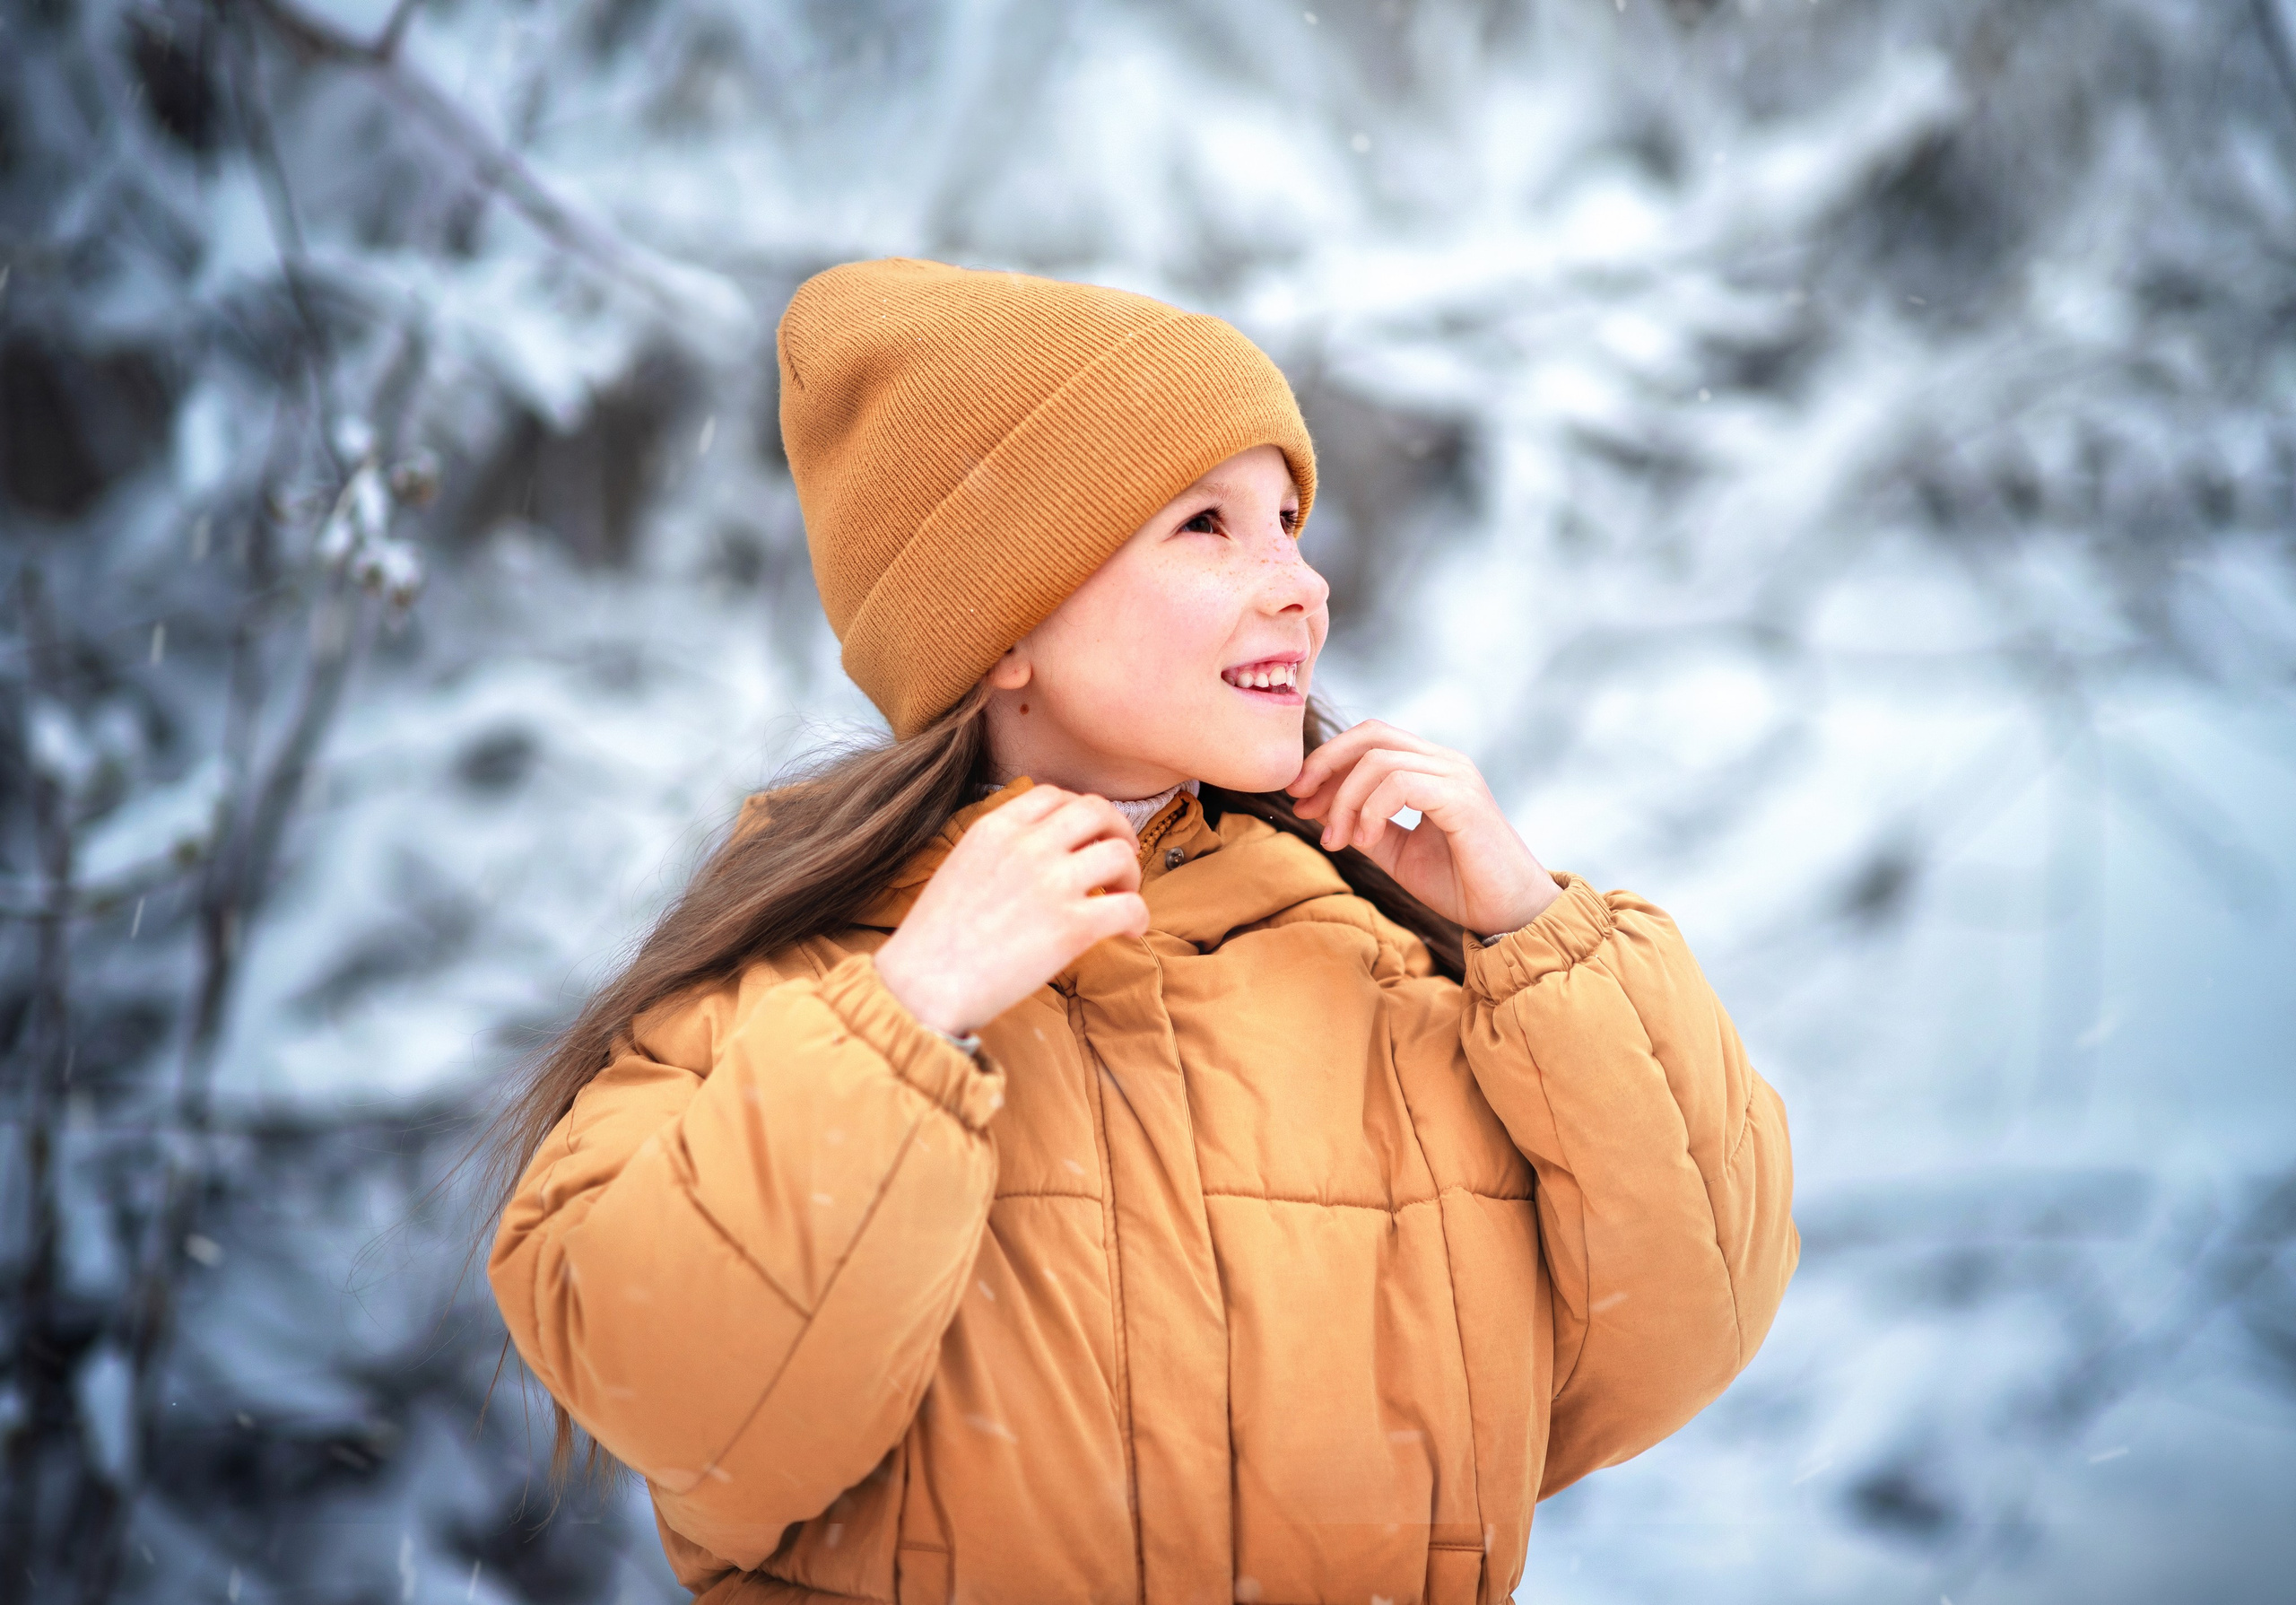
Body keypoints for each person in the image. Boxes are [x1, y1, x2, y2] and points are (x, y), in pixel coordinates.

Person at [484, 257, 1797, 1605]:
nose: (1302, 587)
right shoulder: (778, 1008)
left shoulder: (1404, 981)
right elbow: (686, 1405)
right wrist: (908, 1018)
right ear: (1005, 624)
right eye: (1207, 526)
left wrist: (1536, 933)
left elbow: (1683, 1331)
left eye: (1288, 522)